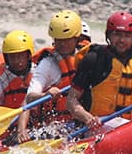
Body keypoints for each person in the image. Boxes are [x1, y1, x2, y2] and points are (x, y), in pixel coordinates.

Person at [15, 10, 92, 141]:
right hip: (57, 128)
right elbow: (29, 98)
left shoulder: (88, 58)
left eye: (66, 40)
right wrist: (45, 96)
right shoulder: (47, 64)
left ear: (77, 38)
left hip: (84, 121)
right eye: (58, 40)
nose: (61, 44)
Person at [0, 30, 35, 146]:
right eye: (12, 57)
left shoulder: (39, 72)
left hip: (37, 129)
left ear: (28, 55)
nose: (17, 61)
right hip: (9, 135)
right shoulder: (0, 81)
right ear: (6, 58)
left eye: (20, 56)